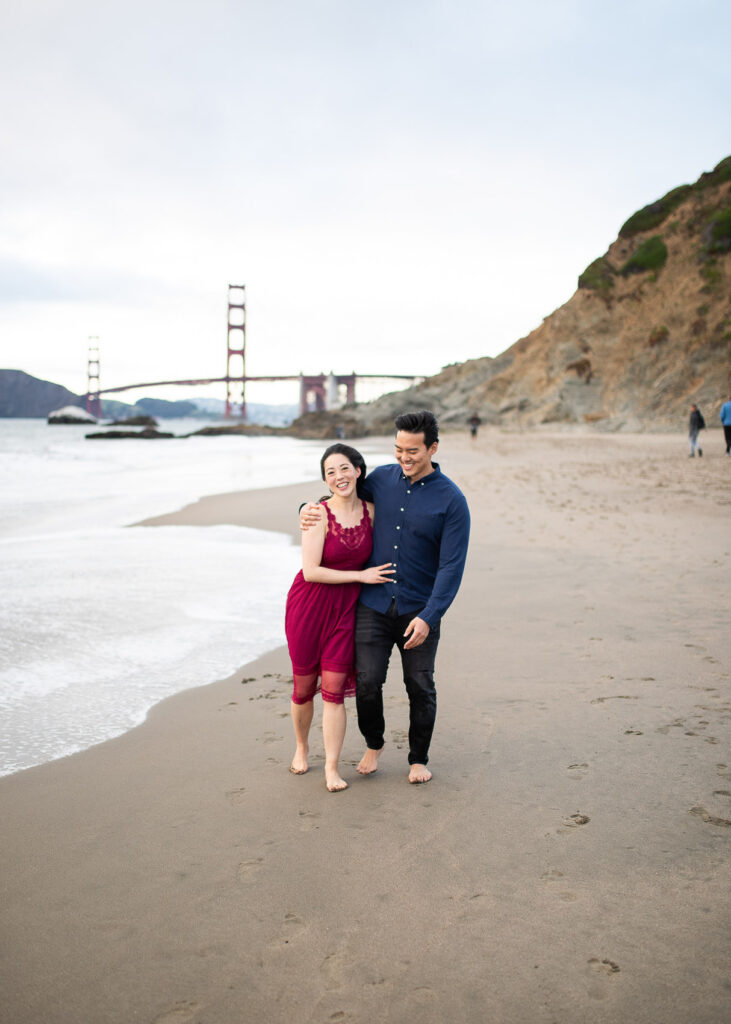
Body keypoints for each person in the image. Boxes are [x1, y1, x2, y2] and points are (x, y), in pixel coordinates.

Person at [301, 410, 470, 784]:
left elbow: (451, 568)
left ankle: (418, 759)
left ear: (433, 448)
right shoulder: (381, 479)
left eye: (412, 450)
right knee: (366, 682)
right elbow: (341, 495)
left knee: (420, 685)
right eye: (398, 449)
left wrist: (430, 616)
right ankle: (374, 743)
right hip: (373, 604)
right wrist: (307, 509)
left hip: (419, 611)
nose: (404, 457)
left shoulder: (452, 501)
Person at [285, 443, 394, 792]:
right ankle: (302, 747)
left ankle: (332, 767)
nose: (339, 476)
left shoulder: (373, 513)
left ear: (358, 471)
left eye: (344, 468)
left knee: (333, 689)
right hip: (309, 606)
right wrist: (361, 577)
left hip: (347, 610)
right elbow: (312, 571)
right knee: (304, 688)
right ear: (325, 481)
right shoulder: (316, 514)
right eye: (330, 472)